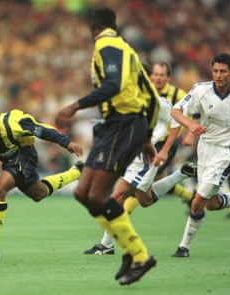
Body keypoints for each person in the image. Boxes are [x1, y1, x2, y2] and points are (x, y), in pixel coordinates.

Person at [55, 8, 159, 285]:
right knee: (82, 193)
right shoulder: (128, 50)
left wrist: (74, 106)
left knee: (98, 196)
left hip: (121, 124)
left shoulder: (106, 45)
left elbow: (113, 85)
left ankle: (140, 255)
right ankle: (128, 249)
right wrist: (147, 136)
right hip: (116, 127)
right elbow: (152, 96)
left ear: (93, 25)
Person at [83, 63, 197, 255]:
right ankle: (179, 175)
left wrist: (165, 150)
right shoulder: (128, 99)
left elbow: (176, 119)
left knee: (117, 196)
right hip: (132, 154)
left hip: (149, 153)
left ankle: (108, 245)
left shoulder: (156, 101)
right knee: (145, 199)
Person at [170, 52, 230, 258]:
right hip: (204, 149)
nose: (218, 75)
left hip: (225, 152)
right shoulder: (200, 90)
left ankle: (183, 247)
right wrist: (190, 125)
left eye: (223, 71)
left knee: (198, 201)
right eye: (215, 71)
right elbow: (176, 110)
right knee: (211, 203)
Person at [0, 104, 83, 246]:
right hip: (9, 162)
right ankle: (76, 172)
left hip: (25, 155)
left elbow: (41, 129)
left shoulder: (11, 123)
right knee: (39, 193)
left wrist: (66, 142)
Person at [150, 61, 194, 204]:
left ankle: (122, 213)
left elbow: (191, 114)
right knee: (157, 181)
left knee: (142, 182)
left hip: (167, 142)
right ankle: (189, 196)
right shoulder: (147, 91)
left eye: (162, 75)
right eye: (156, 74)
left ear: (168, 78)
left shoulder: (178, 94)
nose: (158, 78)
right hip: (148, 141)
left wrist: (189, 134)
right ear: (151, 76)